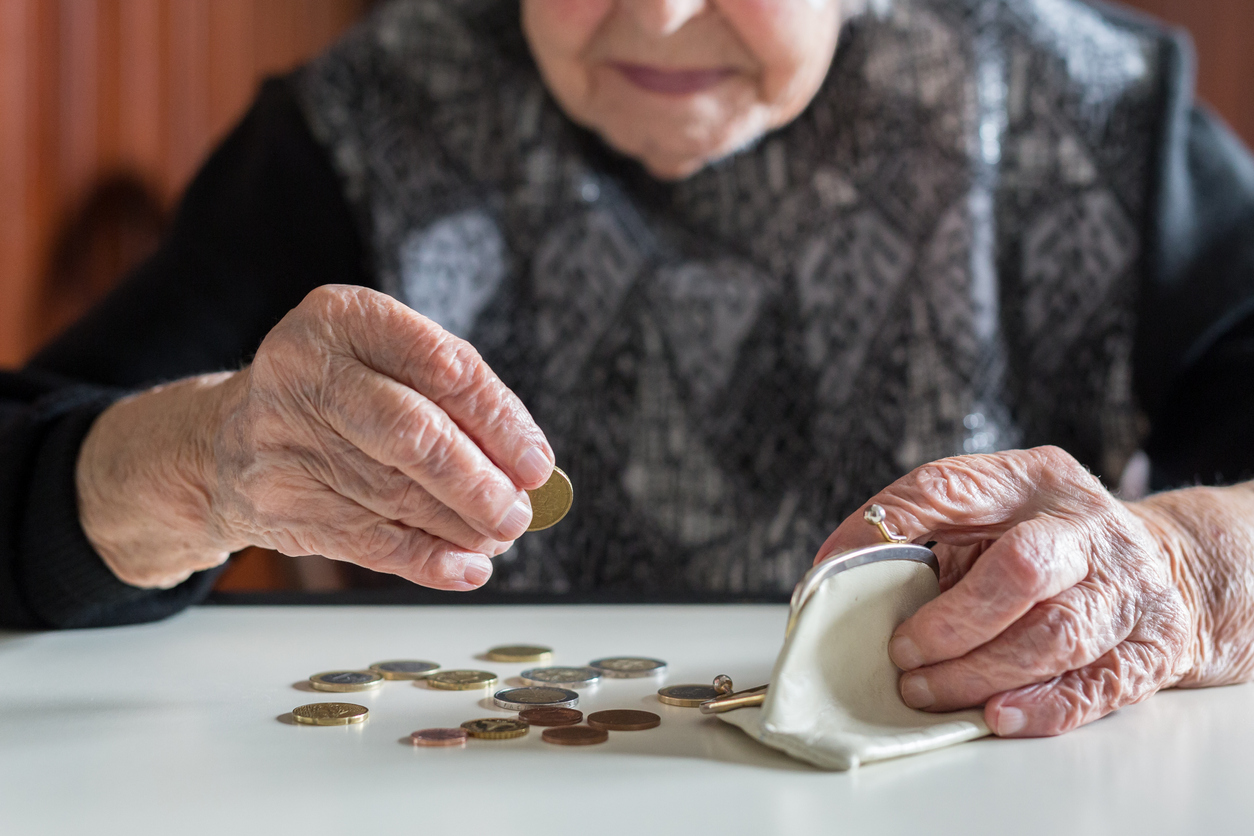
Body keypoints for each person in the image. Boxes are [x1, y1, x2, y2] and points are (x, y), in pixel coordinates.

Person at [2, 0, 1253, 739]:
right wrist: (195, 461)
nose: (654, 16)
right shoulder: (362, 124)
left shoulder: (1096, 117)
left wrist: (1193, 567)